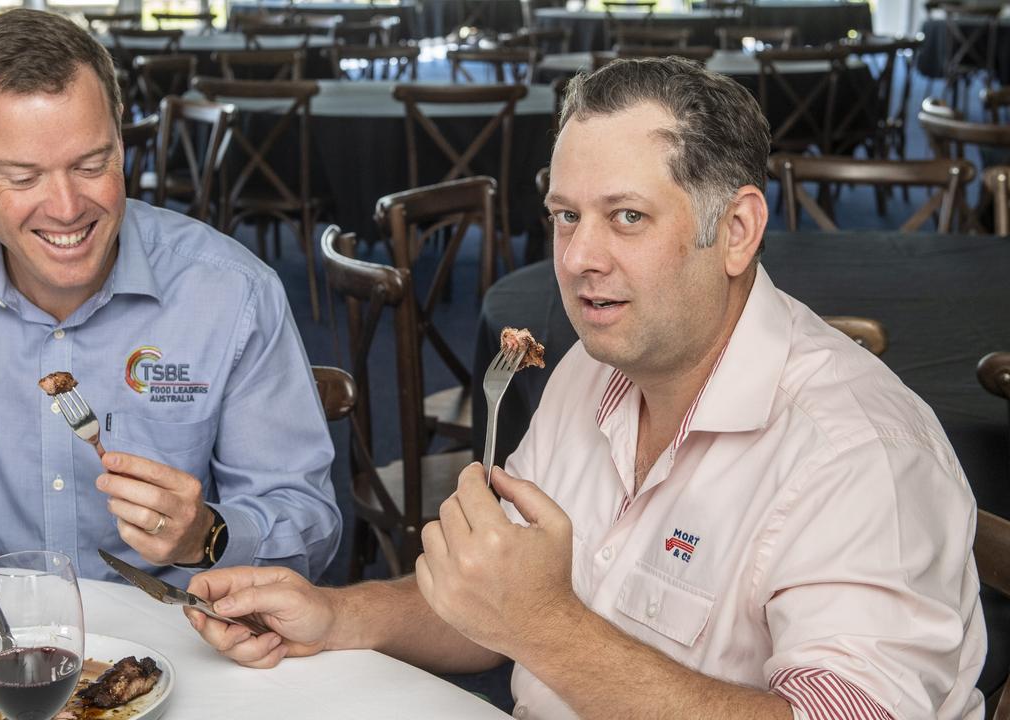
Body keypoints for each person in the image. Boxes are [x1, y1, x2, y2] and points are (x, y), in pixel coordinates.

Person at [180, 57, 987, 719]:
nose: (578, 258)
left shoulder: (859, 455)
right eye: (566, 217)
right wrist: (337, 617)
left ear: (736, 231)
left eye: (626, 217)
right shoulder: (588, 371)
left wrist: (546, 627)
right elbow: (493, 606)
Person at [0, 8, 340, 585]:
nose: (68, 208)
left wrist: (207, 535)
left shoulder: (231, 291)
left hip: (186, 630)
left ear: (121, 137)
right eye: (24, 178)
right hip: (6, 642)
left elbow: (311, 528)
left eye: (92, 164)